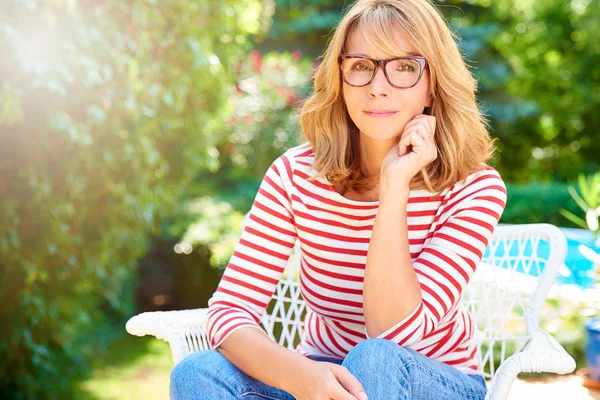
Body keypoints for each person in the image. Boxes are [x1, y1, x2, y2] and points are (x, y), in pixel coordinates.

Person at [170, 0, 507, 398]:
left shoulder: (475, 188)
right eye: (362, 66)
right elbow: (229, 312)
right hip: (323, 376)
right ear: (341, 79)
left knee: (374, 359)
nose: (378, 87)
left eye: (404, 67)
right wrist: (300, 375)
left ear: (432, 85)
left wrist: (395, 185)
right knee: (198, 372)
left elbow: (393, 332)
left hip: (433, 380)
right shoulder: (294, 175)